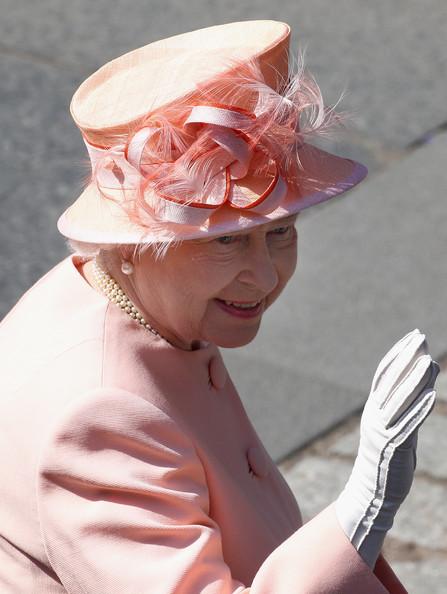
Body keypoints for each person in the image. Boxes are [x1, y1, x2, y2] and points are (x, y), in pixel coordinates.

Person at [0, 20, 439, 594]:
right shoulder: (97, 417)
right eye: (223, 240)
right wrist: (363, 508)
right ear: (131, 245)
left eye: (281, 232)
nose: (264, 276)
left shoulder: (98, 288)